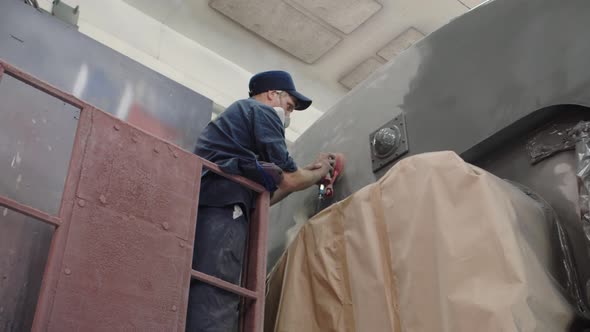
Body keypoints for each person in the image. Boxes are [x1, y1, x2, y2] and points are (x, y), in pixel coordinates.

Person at [186, 70, 334, 331]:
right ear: (272, 94)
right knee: (217, 290)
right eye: (288, 106)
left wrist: (305, 175)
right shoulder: (261, 112)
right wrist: (321, 172)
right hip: (224, 207)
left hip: (216, 205)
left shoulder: (239, 126)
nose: (287, 116)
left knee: (211, 286)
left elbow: (271, 193)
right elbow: (288, 179)